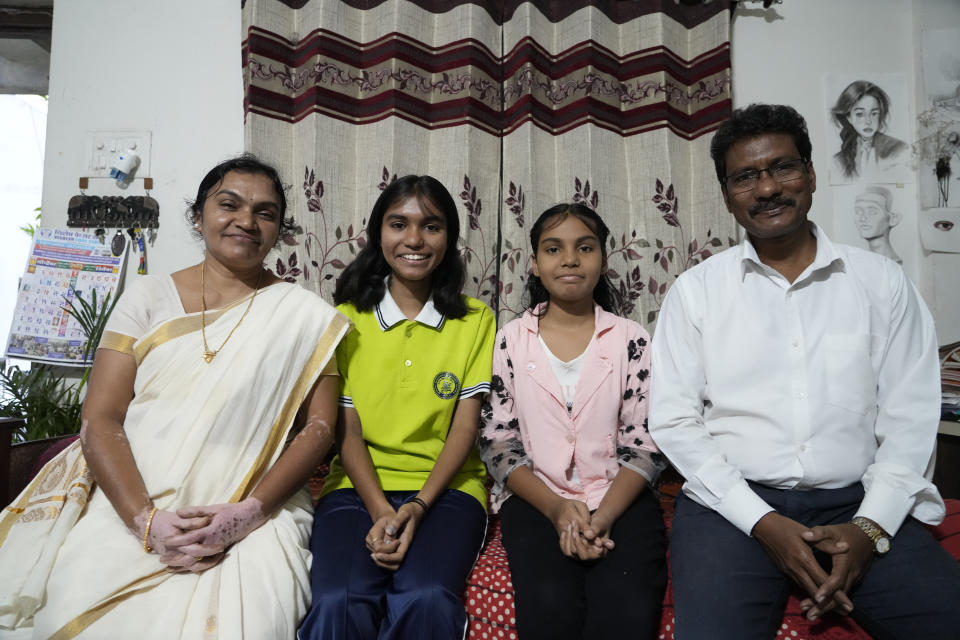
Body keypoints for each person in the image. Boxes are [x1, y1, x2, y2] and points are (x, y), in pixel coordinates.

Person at [0, 155, 349, 639]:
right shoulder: (146, 298)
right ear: (199, 215)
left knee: (252, 618)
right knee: (76, 610)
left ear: (278, 230)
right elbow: (101, 419)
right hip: (137, 496)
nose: (246, 221)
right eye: (229, 204)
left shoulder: (305, 315)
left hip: (258, 505)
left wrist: (247, 514)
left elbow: (319, 429)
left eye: (265, 213)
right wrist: (146, 522)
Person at [649, 103, 960, 640]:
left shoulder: (881, 283)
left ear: (811, 174)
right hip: (731, 509)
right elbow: (675, 421)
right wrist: (764, 523)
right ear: (727, 195)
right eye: (746, 177)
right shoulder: (696, 292)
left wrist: (868, 528)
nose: (767, 189)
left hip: (859, 499)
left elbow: (910, 416)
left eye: (783, 168)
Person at [298, 175, 496, 640]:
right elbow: (344, 430)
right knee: (336, 600)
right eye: (398, 224)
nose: (414, 239)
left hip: (448, 493)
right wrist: (381, 509)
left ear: (448, 238)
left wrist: (419, 507)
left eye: (431, 226)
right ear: (378, 233)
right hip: (355, 490)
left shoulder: (474, 320)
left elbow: (464, 430)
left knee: (426, 597)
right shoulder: (345, 319)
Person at [478, 203, 667, 640]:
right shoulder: (510, 340)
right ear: (534, 263)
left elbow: (644, 443)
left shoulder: (631, 339)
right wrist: (559, 509)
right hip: (536, 499)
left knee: (627, 610)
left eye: (585, 247)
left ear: (602, 260)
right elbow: (498, 444)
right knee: (548, 607)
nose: (569, 259)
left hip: (621, 498)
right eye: (553, 248)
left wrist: (600, 520)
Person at [830, 80, 908, 181]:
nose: (868, 121)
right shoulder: (838, 161)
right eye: (859, 114)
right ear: (849, 117)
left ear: (880, 115)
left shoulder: (899, 149)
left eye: (874, 113)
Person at [854, 186, 902, 263]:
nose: (862, 219)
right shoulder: (863, 261)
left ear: (893, 219)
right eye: (858, 211)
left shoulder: (891, 263)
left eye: (872, 212)